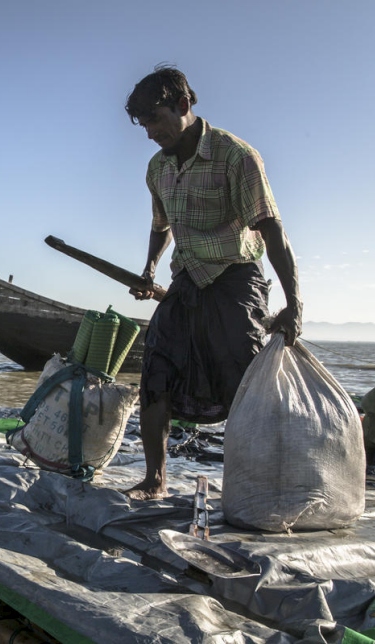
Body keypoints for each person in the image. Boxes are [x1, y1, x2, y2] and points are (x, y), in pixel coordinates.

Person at [123, 66, 302, 500]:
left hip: (234, 278)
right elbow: (161, 224)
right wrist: (149, 269)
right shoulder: (157, 168)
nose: (150, 133)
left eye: (156, 119)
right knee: (156, 373)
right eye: (143, 124)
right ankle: (155, 479)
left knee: (246, 382)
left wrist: (294, 303)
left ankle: (260, 483)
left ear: (184, 106)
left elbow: (271, 230)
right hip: (186, 279)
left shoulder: (235, 156)